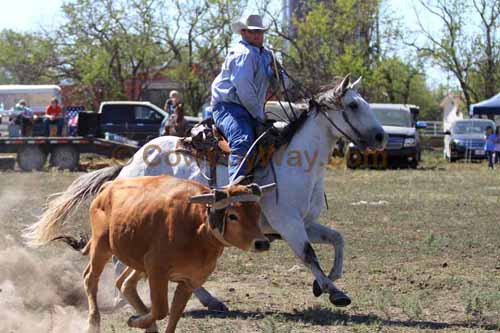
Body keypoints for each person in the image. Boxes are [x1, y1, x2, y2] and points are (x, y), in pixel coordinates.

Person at [210, 14, 284, 184]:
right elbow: (245, 90)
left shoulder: (267, 55)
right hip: (228, 107)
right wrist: (259, 115)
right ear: (243, 32)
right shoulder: (243, 54)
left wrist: (278, 73)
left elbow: (284, 84)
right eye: (253, 32)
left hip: (250, 108)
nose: (258, 35)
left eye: (260, 32)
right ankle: (236, 188)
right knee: (242, 139)